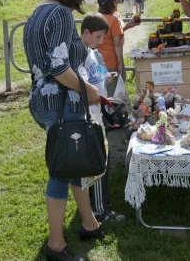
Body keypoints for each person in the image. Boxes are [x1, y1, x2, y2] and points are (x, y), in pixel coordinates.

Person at [23, 0, 103, 261]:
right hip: (60, 102)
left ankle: (89, 223)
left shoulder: (38, 12)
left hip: (46, 100)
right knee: (61, 170)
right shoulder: (60, 14)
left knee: (72, 162)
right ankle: (55, 246)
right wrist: (88, 90)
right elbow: (58, 68)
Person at [80, 13, 126, 223]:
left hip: (97, 115)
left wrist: (105, 78)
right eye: (98, 37)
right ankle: (99, 209)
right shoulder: (79, 54)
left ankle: (97, 206)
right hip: (90, 117)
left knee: (101, 162)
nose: (101, 42)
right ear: (86, 32)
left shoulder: (92, 52)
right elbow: (81, 84)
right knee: (99, 165)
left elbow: (94, 78)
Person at [96, 0, 139, 97]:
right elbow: (117, 44)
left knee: (101, 91)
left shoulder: (96, 18)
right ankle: (112, 113)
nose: (117, 5)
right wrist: (120, 63)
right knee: (112, 94)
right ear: (111, 5)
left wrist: (126, 27)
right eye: (115, 2)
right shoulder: (114, 20)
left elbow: (108, 36)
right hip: (111, 62)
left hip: (97, 62)